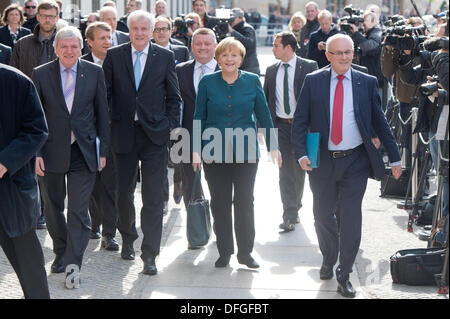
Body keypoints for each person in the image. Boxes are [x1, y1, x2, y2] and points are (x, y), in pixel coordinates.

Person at [292, 34, 401, 298]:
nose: (344, 57)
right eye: (338, 53)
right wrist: (301, 154)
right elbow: (300, 121)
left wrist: (395, 157)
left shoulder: (367, 82)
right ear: (328, 55)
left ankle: (345, 273)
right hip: (323, 160)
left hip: (356, 161)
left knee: (351, 217)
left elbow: (380, 122)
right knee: (321, 214)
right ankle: (329, 257)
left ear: (354, 53)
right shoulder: (313, 80)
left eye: (348, 52)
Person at [103, 10, 181, 276]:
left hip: (154, 137)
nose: (139, 33)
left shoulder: (165, 56)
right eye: (135, 28)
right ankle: (127, 239)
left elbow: (174, 98)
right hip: (123, 135)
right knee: (122, 192)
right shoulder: (115, 55)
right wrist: (112, 123)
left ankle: (150, 254)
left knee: (152, 197)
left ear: (152, 31)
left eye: (144, 29)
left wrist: (168, 126)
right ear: (129, 30)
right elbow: (105, 95)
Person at [31, 26, 110, 289]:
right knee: (53, 206)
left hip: (83, 151)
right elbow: (34, 118)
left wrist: (103, 150)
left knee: (78, 210)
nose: (69, 50)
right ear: (55, 49)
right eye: (63, 46)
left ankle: (74, 263)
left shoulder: (94, 72)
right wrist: (37, 153)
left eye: (74, 46)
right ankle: (61, 251)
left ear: (82, 48)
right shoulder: (41, 74)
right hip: (50, 151)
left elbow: (102, 115)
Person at [192, 37, 281, 269]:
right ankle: (225, 251)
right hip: (213, 152)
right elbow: (198, 116)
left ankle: (245, 253)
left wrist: (273, 146)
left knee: (244, 201)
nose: (229, 59)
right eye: (224, 55)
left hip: (246, 153)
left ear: (241, 58)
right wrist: (194, 150)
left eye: (234, 55)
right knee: (219, 203)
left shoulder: (252, 81)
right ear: (217, 58)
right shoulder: (207, 82)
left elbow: (264, 115)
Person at [0, 63, 50, 299]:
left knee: (28, 262)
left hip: (12, 188)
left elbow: (37, 130)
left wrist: (4, 162)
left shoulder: (17, 81)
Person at [10, 0, 60, 230]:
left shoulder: (65, 41)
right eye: (44, 15)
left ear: (57, 17)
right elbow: (13, 77)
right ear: (37, 17)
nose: (48, 20)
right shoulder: (23, 44)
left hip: (60, 109)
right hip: (31, 107)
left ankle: (55, 209)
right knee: (35, 160)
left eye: (52, 16)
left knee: (57, 163)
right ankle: (39, 211)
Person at [264, 31, 318, 232]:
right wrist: (265, 129)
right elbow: (265, 102)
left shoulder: (309, 67)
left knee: (300, 169)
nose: (273, 49)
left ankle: (295, 204)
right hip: (281, 126)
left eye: (276, 45)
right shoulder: (271, 71)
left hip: (303, 126)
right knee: (284, 170)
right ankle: (289, 213)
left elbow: (316, 98)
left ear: (288, 47)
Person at [81, 21, 119, 249]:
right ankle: (94, 223)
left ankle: (110, 232)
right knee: (91, 183)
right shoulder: (81, 64)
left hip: (114, 133)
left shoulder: (119, 62)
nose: (107, 42)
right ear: (90, 41)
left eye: (109, 37)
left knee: (111, 184)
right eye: (102, 38)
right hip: (87, 133)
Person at [175, 28, 218, 220]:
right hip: (186, 137)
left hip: (218, 138)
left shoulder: (225, 69)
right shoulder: (180, 70)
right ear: (191, 46)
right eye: (198, 43)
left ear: (215, 46)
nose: (202, 48)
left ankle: (220, 229)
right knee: (190, 187)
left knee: (219, 188)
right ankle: (197, 230)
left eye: (207, 43)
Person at [348, 11, 383, 88]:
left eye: (365, 20)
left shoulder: (377, 33)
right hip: (368, 77)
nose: (363, 23)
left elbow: (370, 48)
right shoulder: (367, 33)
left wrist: (356, 34)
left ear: (373, 21)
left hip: (376, 79)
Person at [228, 8, 260, 75]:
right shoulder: (234, 29)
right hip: (238, 66)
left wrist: (232, 32)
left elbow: (249, 43)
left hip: (248, 68)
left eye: (232, 19)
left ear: (240, 18)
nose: (231, 21)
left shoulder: (247, 28)